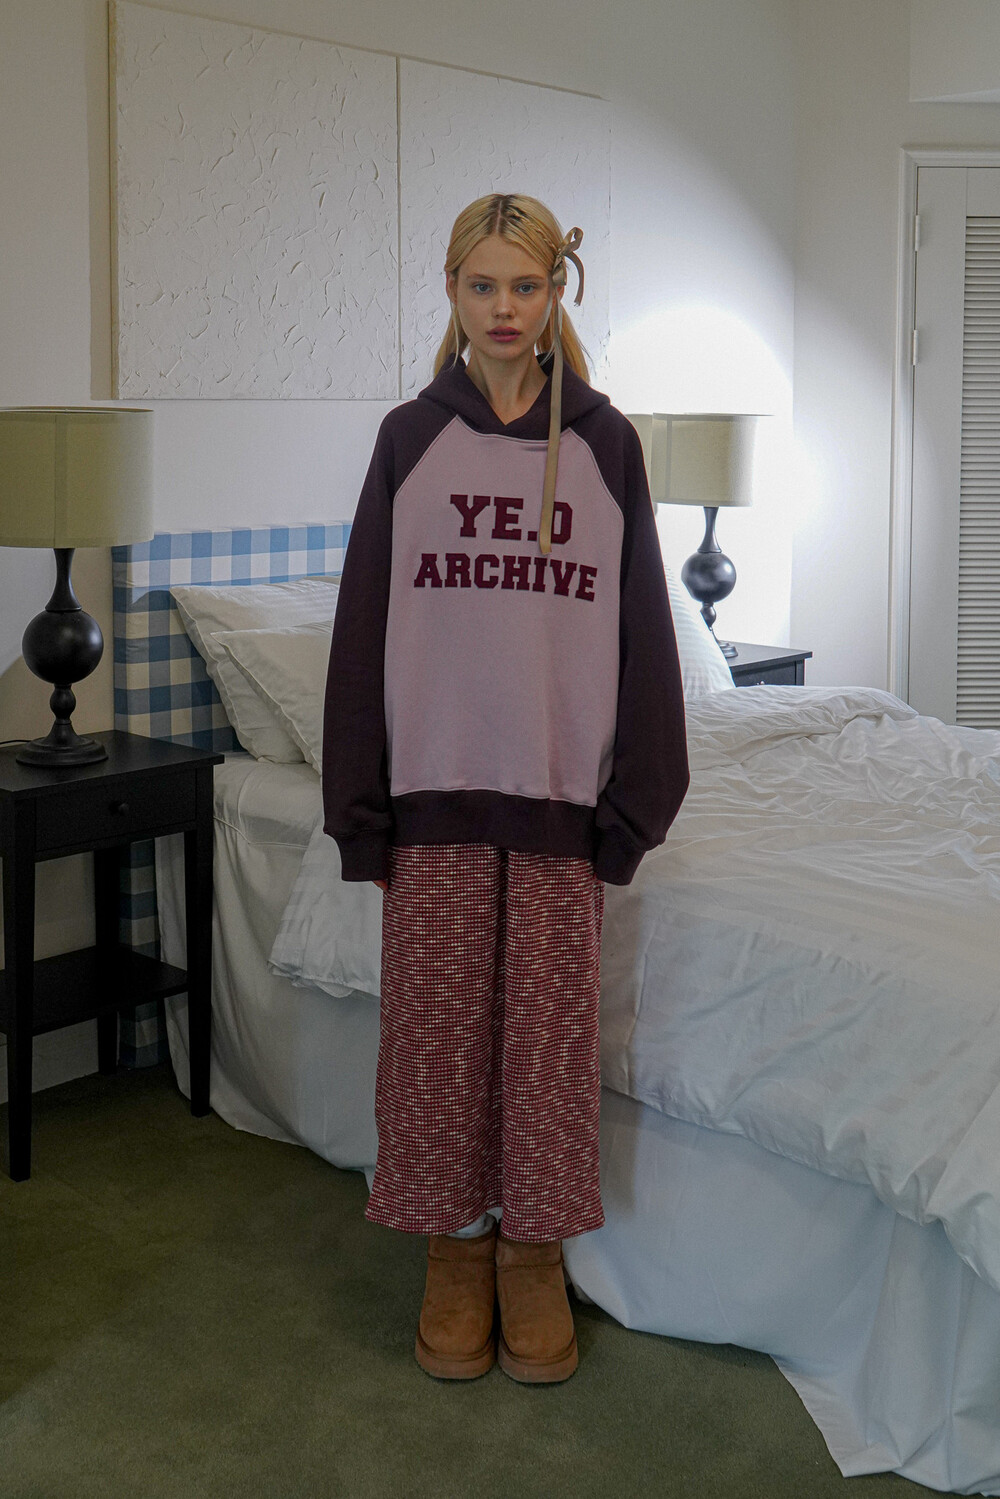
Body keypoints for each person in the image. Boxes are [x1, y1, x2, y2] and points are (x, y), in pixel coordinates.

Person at [322, 192, 689, 1385]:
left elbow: (644, 632)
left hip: (559, 807)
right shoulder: (407, 439)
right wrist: (360, 808)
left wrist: (635, 806)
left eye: (524, 286)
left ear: (553, 293)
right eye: (481, 285)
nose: (503, 307)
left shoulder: (607, 444)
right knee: (433, 1042)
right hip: (432, 799)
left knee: (545, 1052)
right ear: (452, 291)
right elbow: (361, 629)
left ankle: (532, 1253)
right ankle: (453, 1246)